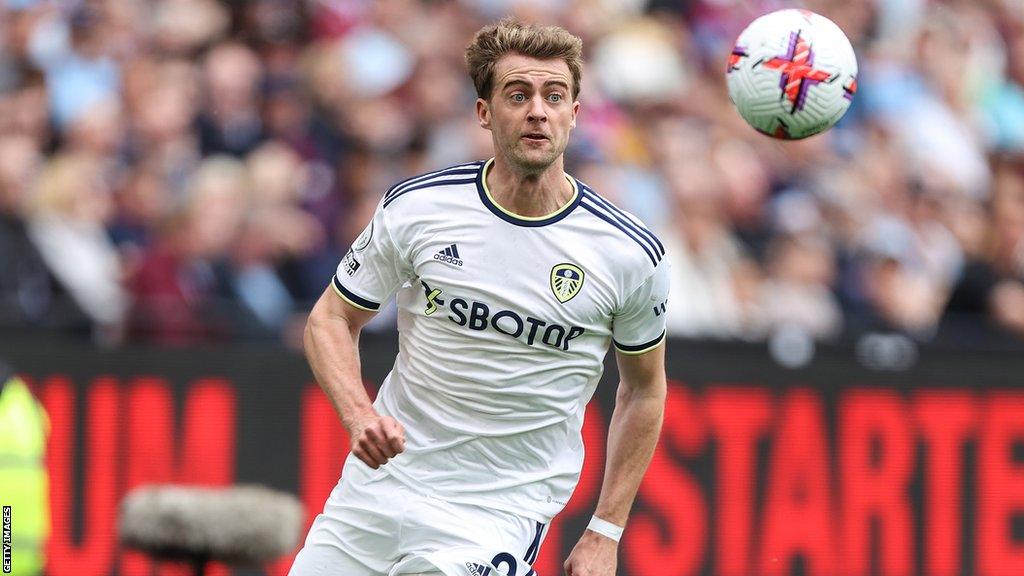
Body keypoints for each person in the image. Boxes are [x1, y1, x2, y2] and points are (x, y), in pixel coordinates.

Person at [290, 19, 669, 576]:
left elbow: (643, 391)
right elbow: (330, 317)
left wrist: (604, 532)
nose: (538, 110)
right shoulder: (418, 209)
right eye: (518, 95)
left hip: (496, 511)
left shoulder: (629, 253)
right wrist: (357, 414)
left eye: (554, 96)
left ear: (574, 114)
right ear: (485, 113)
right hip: (376, 490)